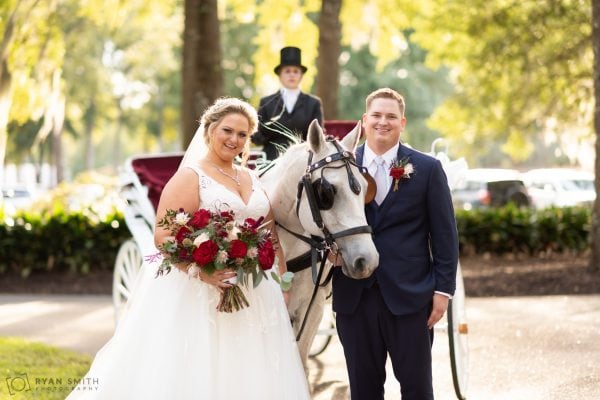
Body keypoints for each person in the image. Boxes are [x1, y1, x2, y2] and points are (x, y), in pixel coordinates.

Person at [67, 97, 310, 399]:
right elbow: (164, 235)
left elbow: (269, 234)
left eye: (242, 135)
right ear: (210, 130)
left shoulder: (251, 176)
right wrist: (204, 272)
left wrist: (283, 282)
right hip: (202, 293)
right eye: (228, 131)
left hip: (257, 293)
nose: (234, 140)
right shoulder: (191, 176)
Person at [331, 88, 459, 400]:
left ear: (402, 123)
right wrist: (329, 251)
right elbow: (322, 222)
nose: (382, 122)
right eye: (376, 115)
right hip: (354, 298)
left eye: (390, 116)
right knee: (364, 391)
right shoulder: (338, 166)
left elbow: (445, 236)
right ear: (364, 121)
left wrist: (443, 292)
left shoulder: (427, 169)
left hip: (411, 298)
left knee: (417, 390)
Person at [251, 46, 324, 160]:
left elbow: (318, 136)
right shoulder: (266, 102)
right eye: (287, 71)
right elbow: (256, 137)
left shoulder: (313, 103)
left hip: (302, 161)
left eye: (296, 71)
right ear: (280, 75)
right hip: (272, 161)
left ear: (301, 75)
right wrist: (268, 130)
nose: (292, 75)